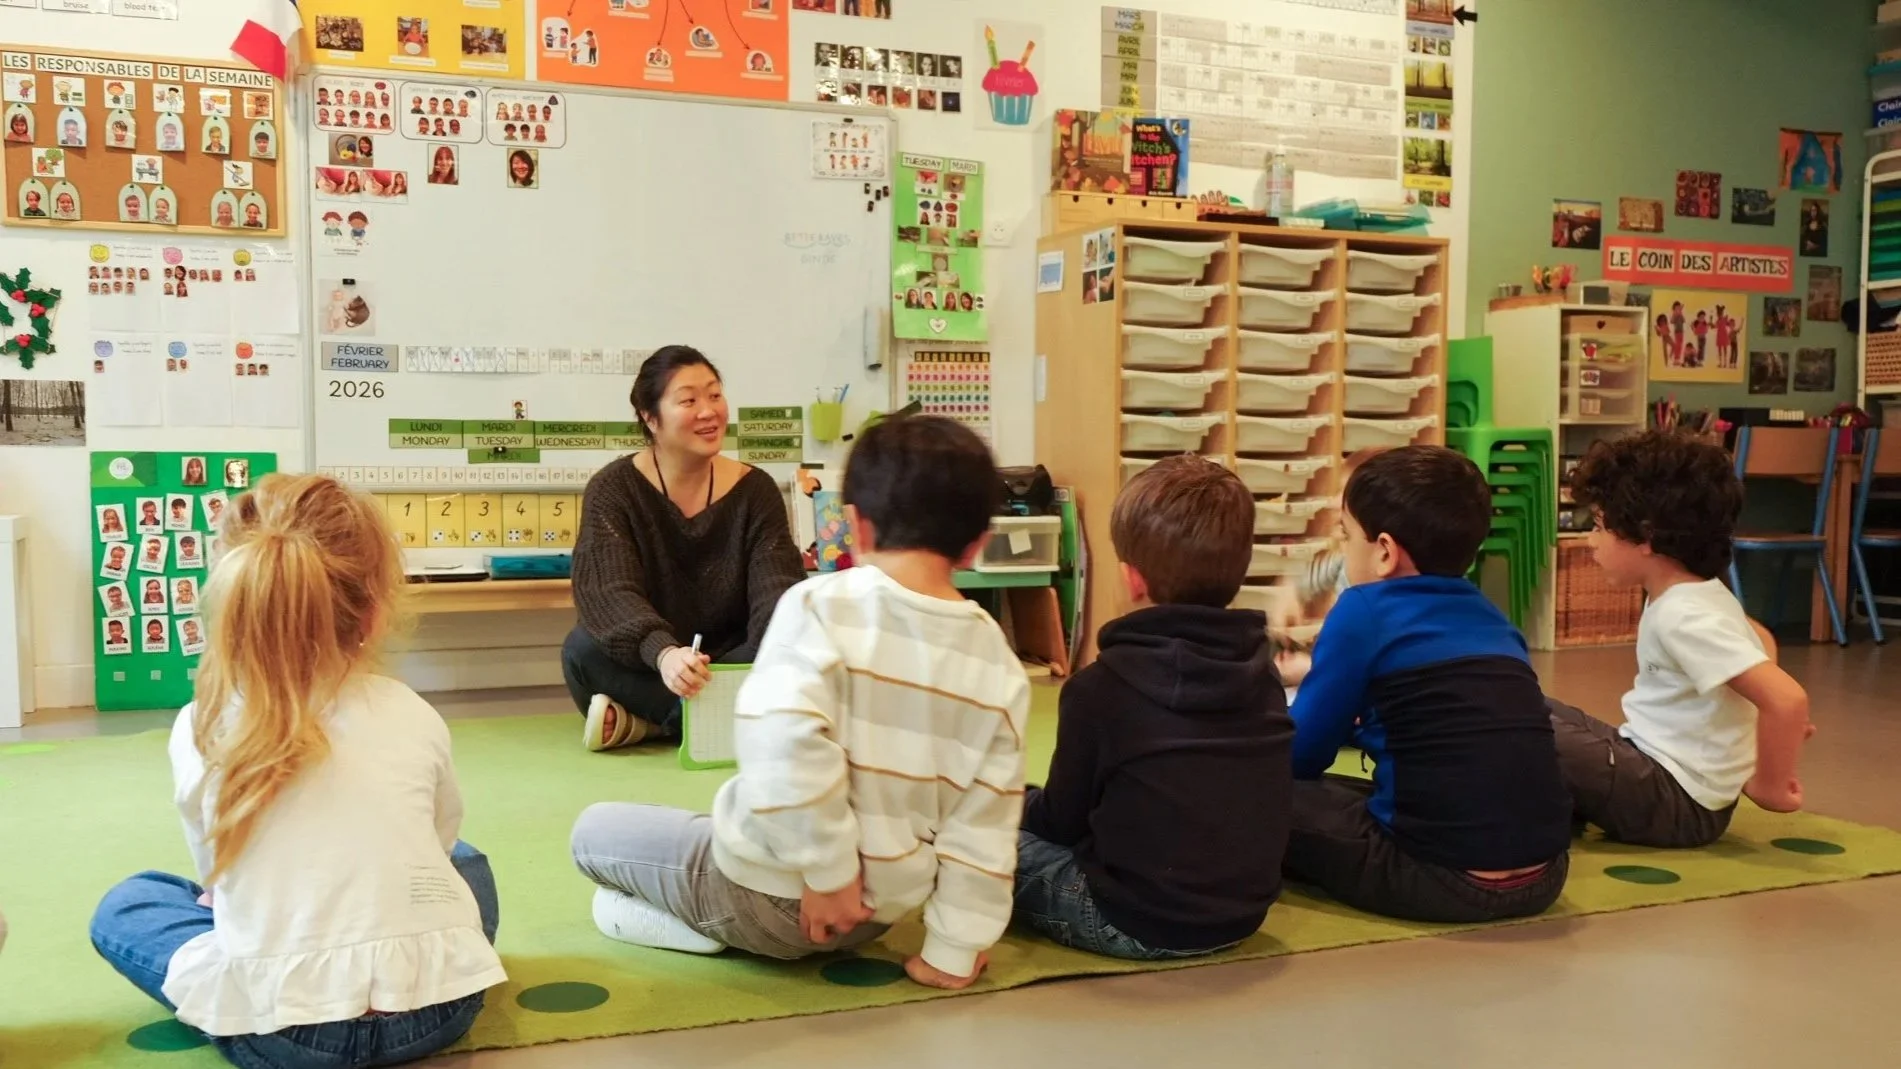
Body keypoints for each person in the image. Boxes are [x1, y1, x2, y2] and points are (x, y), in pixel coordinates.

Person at [572, 415, 1027, 991]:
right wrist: (953, 950)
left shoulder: (821, 605)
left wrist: (829, 871)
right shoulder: (999, 662)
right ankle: (717, 920)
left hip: (773, 892)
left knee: (593, 833)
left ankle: (692, 928)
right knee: (699, 826)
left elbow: (781, 744)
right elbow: (985, 824)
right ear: (977, 543)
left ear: (855, 525)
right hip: (869, 921)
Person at [89, 475, 506, 1068]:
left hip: (285, 1035)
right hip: (436, 1014)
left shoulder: (203, 721)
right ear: (370, 616)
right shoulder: (410, 708)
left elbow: (215, 870)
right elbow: (439, 839)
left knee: (131, 903)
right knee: (464, 859)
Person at [1017, 455, 1291, 960]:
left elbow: (1060, 823)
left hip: (1131, 920)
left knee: (984, 839)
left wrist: (1018, 803)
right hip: (1243, 915)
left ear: (1131, 578)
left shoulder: (1099, 689)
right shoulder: (1263, 673)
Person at [1285, 446, 1571, 923]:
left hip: (1438, 878)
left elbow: (1301, 755)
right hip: (1546, 875)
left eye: (1345, 536)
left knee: (1255, 792)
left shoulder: (1362, 610)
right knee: (1352, 788)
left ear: (1384, 551)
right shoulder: (1495, 619)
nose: (1343, 549)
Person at [1554, 431, 1812, 846]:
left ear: (1646, 535)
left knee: (1521, 725)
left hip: (1675, 805)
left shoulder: (1683, 614)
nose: (1590, 540)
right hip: (1652, 766)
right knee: (1533, 709)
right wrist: (1757, 729)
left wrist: (1770, 783)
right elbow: (1760, 639)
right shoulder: (1698, 593)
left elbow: (1786, 700)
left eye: (1600, 526)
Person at [564, 347, 804, 751]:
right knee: (582, 651)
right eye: (689, 400)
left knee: (786, 644)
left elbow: (776, 593)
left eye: (714, 395)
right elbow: (609, 594)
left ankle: (654, 724)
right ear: (650, 416)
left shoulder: (756, 490)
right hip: (655, 664)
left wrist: (738, 667)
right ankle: (717, 724)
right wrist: (664, 654)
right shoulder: (613, 490)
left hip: (731, 662)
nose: (709, 411)